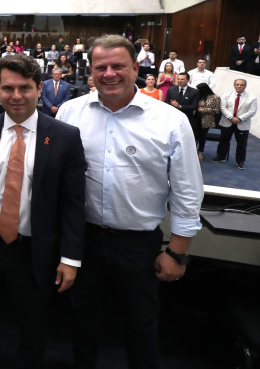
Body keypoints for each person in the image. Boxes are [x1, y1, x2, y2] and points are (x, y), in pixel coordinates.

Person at [56, 35, 203, 369]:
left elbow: (187, 191)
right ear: (90, 71)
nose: (109, 74)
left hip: (139, 245)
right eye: (101, 67)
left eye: (118, 66)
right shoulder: (70, 112)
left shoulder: (170, 121)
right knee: (82, 323)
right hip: (82, 241)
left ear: (136, 67)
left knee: (141, 327)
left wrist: (177, 253)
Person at [0, 53, 86, 369]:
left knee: (33, 327)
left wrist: (70, 259)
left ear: (39, 89)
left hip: (35, 251)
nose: (16, 96)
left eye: (25, 88)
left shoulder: (65, 137)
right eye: (8, 88)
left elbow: (73, 203)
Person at [212, 78, 257, 169]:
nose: (239, 86)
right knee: (224, 140)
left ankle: (240, 162)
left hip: (242, 124)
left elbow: (252, 111)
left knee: (241, 144)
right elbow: (222, 107)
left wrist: (239, 119)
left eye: (241, 85)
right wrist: (231, 117)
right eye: (237, 84)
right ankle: (221, 156)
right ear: (234, 85)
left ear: (245, 86)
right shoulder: (227, 95)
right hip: (227, 121)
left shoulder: (252, 98)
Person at [165, 72, 200, 139]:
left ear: (188, 80)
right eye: (178, 79)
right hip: (172, 118)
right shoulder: (171, 89)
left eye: (182, 79)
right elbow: (166, 102)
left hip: (186, 119)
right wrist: (173, 105)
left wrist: (180, 106)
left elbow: (195, 107)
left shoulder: (194, 92)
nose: (179, 81)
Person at [195, 83, 220, 161]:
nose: (197, 91)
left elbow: (217, 110)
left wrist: (205, 110)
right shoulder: (197, 96)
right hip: (196, 118)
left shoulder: (215, 97)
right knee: (195, 136)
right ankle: (192, 152)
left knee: (202, 136)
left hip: (206, 119)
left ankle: (200, 152)